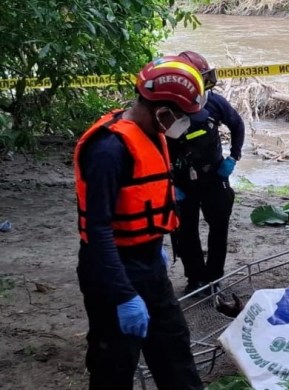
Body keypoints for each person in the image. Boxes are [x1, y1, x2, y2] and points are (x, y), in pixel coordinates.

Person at [74, 56, 207, 390]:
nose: (185, 124)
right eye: (181, 116)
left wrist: (155, 252)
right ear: (163, 111)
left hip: (149, 263)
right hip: (112, 270)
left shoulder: (152, 136)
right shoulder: (108, 150)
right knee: (114, 368)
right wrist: (122, 296)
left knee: (176, 356)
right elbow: (98, 229)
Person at [167, 50, 246, 296]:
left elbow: (237, 125)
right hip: (181, 179)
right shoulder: (165, 110)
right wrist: (168, 182)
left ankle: (214, 278)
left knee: (219, 226)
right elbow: (155, 146)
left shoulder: (215, 102)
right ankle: (194, 278)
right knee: (185, 230)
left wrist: (233, 157)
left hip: (214, 175)